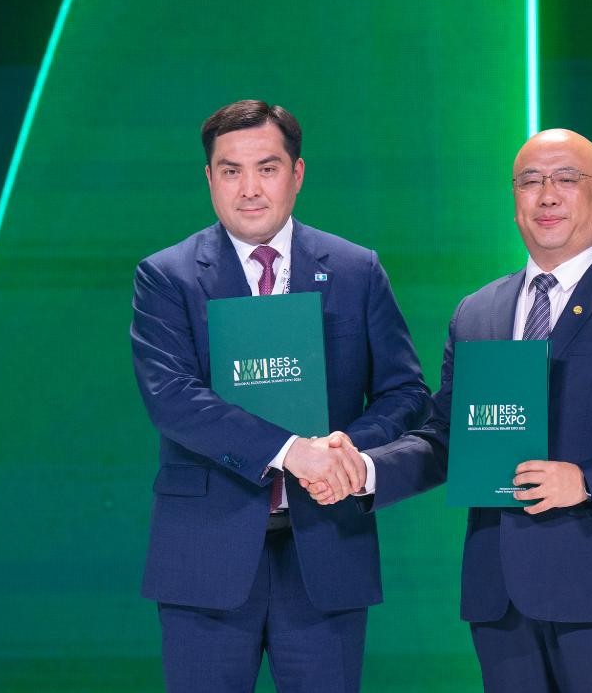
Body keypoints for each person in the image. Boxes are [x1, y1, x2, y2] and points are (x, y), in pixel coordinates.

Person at [309, 128, 592, 692]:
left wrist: (587, 481)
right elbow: (447, 437)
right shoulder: (477, 312)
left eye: (566, 179)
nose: (547, 195)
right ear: (515, 199)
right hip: (499, 595)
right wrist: (366, 469)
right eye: (530, 181)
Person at [130, 99, 429, 692]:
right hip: (206, 553)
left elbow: (405, 392)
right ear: (209, 178)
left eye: (267, 168)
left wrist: (343, 453)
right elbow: (173, 398)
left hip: (325, 548)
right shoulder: (167, 276)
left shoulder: (357, 270)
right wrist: (294, 452)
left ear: (297, 174)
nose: (249, 188)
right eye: (230, 171)